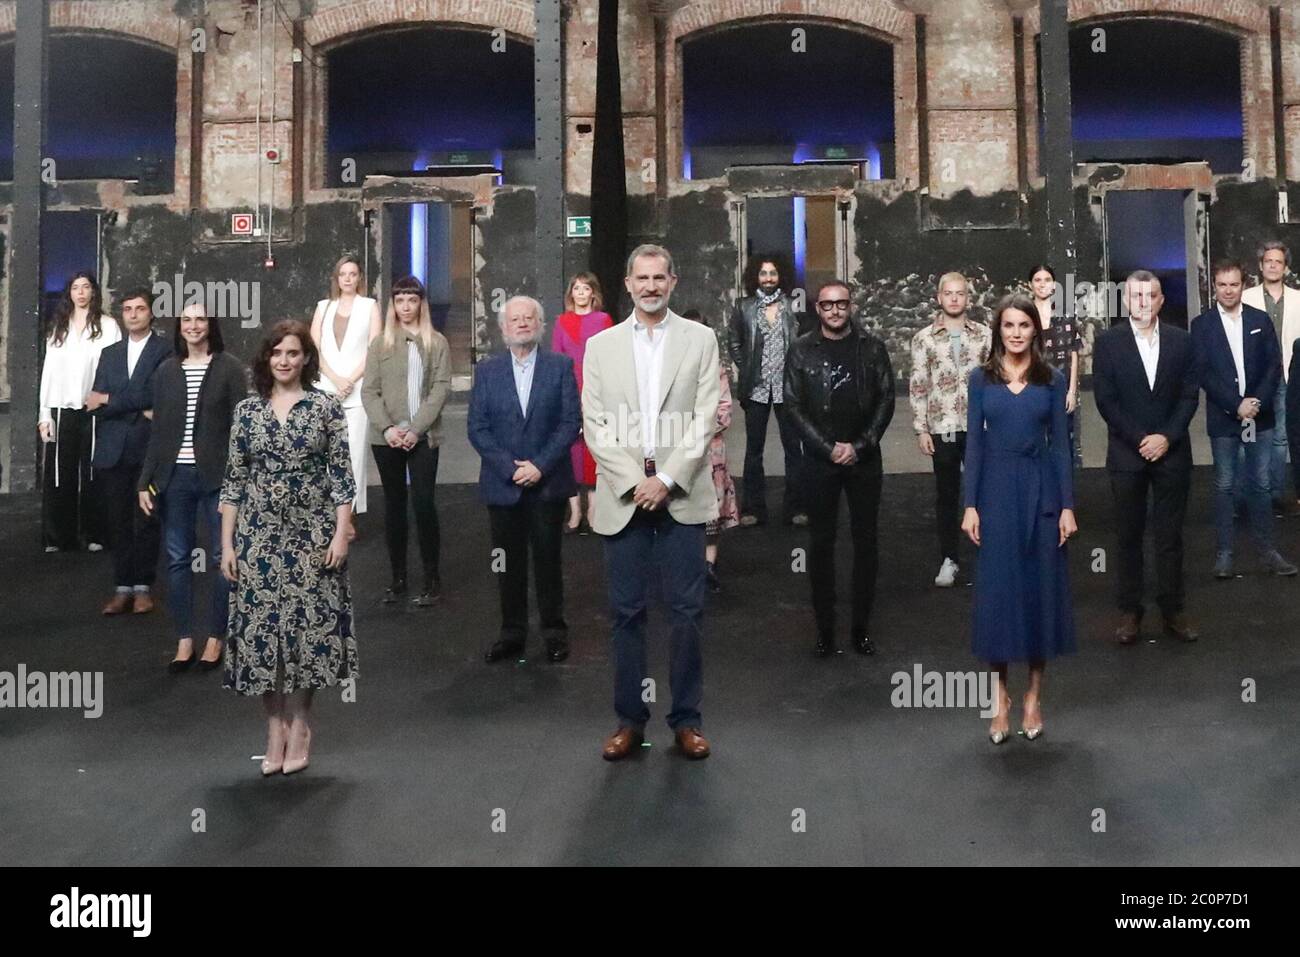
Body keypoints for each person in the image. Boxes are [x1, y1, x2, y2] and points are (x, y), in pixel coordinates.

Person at [583, 244, 720, 761]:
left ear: (673, 281)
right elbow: (595, 425)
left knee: (686, 614)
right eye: (642, 278)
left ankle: (687, 721)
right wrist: (633, 482)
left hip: (681, 496)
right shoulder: (601, 346)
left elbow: (705, 417)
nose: (650, 286)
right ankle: (629, 721)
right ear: (627, 283)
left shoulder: (701, 339)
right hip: (623, 499)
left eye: (659, 277)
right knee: (626, 615)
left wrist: (665, 478)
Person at [220, 320, 358, 777]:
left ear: (305, 360)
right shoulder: (247, 411)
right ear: (266, 359)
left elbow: (342, 477)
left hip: (312, 533)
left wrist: (341, 533)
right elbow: (234, 481)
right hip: (257, 534)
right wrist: (227, 544)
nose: (285, 360)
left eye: (293, 353)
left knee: (306, 633)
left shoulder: (325, 408)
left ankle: (300, 723)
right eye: (277, 352)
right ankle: (273, 727)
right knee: (260, 635)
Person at [961, 294, 1076, 744]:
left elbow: (1062, 447)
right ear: (998, 331)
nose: (1015, 333)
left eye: (1024, 325)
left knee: (1038, 593)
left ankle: (1032, 698)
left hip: (1041, 489)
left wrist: (1067, 506)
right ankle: (999, 699)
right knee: (999, 595)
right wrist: (970, 504)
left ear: (1035, 331)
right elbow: (973, 443)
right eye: (1008, 325)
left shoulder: (1053, 380)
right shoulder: (980, 380)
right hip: (995, 491)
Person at [468, 296, 580, 663]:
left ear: (540, 325)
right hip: (503, 486)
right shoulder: (486, 372)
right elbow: (477, 428)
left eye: (528, 318)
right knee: (506, 562)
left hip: (547, 484)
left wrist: (539, 466)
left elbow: (569, 423)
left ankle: (553, 631)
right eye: (514, 319)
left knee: (548, 561)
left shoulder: (560, 367)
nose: (521, 324)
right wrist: (510, 468)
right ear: (502, 329)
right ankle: (511, 632)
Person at [785, 281, 895, 657]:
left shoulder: (873, 348)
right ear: (818, 308)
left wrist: (860, 446)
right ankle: (825, 631)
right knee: (821, 544)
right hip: (820, 462)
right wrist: (829, 448)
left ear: (851, 306)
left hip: (864, 461)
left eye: (841, 304)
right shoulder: (800, 351)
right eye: (827, 305)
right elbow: (793, 406)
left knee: (866, 543)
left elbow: (886, 400)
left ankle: (861, 629)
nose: (834, 311)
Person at [138, 302, 247, 672]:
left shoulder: (230, 367)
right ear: (179, 326)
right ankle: (185, 639)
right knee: (178, 559)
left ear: (210, 324)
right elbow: (159, 432)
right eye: (187, 319)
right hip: (174, 478)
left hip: (219, 478)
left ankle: (216, 638)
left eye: (201, 319)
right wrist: (145, 482)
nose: (194, 325)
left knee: (223, 558)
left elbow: (241, 428)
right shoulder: (167, 371)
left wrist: (241, 476)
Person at [1093, 271, 1200, 645]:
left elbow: (1189, 395)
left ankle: (1173, 610)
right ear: (1126, 300)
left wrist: (1166, 438)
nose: (1142, 302)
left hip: (1172, 453)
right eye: (1135, 295)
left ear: (1160, 300)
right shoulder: (1108, 343)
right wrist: (1143, 439)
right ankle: (1130, 611)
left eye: (1149, 295)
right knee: (1128, 536)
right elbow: (1106, 400)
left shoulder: (1182, 342)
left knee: (1170, 537)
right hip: (1128, 454)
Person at [1190, 259, 1297, 578]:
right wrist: (1234, 404)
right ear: (1214, 287)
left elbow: (1273, 366)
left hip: (1259, 417)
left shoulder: (1260, 319)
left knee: (1261, 485)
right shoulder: (1202, 325)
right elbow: (1202, 372)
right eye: (1222, 285)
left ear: (1242, 285)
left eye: (1233, 284)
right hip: (1225, 418)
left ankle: (1268, 553)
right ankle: (1224, 554)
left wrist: (1257, 402)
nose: (1228, 290)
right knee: (1224, 485)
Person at [361, 276, 452, 607]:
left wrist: (416, 429)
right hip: (387, 439)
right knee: (395, 506)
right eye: (400, 301)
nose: (406, 307)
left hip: (423, 436)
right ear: (393, 306)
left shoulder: (436, 342)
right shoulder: (380, 344)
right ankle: (397, 577)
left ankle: (432, 578)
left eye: (412, 300)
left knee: (424, 504)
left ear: (421, 304)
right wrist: (387, 428)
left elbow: (441, 388)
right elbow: (369, 391)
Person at [89, 287, 172, 618]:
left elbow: (156, 394)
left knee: (146, 521)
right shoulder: (109, 353)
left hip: (147, 448)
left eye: (139, 308)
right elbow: (93, 402)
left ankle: (142, 588)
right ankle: (122, 588)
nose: (133, 314)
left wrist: (111, 400)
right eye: (127, 309)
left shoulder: (165, 351)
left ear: (151, 313)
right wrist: (132, 405)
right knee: (118, 523)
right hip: (112, 450)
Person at [908, 271, 992, 588]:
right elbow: (918, 385)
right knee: (947, 495)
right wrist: (921, 429)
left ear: (968, 298)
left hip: (979, 426)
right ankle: (950, 559)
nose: (955, 298)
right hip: (942, 425)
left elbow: (995, 379)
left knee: (983, 493)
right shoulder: (924, 338)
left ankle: (989, 558)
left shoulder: (985, 335)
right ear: (939, 297)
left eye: (960, 293)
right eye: (949, 293)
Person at [39, 271, 122, 552]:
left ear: (94, 292)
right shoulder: (58, 327)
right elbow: (49, 371)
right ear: (69, 293)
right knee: (59, 474)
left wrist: (108, 400)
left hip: (95, 408)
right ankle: (57, 537)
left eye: (86, 287)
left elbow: (115, 369)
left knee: (93, 473)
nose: (81, 292)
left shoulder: (108, 326)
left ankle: (94, 534)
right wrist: (44, 413)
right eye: (76, 287)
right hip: (62, 407)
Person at [727, 253, 807, 527]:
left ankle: (796, 508)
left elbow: (805, 342)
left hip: (788, 389)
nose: (769, 278)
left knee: (793, 449)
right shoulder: (744, 307)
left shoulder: (793, 306)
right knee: (754, 450)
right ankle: (752, 508)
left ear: (780, 276)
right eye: (763, 273)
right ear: (755, 277)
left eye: (773, 273)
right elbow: (734, 342)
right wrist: (746, 367)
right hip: (757, 388)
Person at [310, 255, 381, 518]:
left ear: (359, 277)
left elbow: (374, 347)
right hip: (327, 387)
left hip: (358, 390)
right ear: (336, 278)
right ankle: (325, 512)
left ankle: (349, 515)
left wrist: (350, 379)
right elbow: (314, 347)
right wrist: (336, 378)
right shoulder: (324, 307)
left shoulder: (369, 306)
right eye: (343, 274)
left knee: (355, 454)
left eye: (353, 274)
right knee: (324, 452)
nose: (348, 279)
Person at [552, 272, 614, 534]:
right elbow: (556, 361)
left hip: (598, 390)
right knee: (571, 454)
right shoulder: (562, 322)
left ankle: (594, 512)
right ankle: (575, 513)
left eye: (585, 288)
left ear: (592, 293)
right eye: (576, 288)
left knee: (594, 454)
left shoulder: (604, 320)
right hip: (569, 391)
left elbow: (612, 358)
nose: (580, 292)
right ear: (571, 293)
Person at [1241, 240, 1300, 515]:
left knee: (1280, 439)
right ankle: (1248, 495)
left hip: (1287, 375)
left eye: (1278, 261)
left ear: (1285, 267)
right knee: (1249, 436)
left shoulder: (1299, 298)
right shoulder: (1246, 297)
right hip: (1254, 376)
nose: (1273, 265)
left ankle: (1275, 495)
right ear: (1261, 266)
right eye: (1268, 261)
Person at [682, 308, 738, 592]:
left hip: (711, 450)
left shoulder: (717, 371)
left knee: (713, 510)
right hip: (679, 451)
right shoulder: (670, 369)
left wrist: (698, 430)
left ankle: (709, 566)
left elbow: (724, 410)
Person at [1029, 264, 1083, 468]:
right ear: (1030, 285)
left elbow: (1074, 352)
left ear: (1054, 285)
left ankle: (1063, 496)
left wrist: (1072, 391)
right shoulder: (1023, 314)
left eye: (1047, 280)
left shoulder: (1065, 314)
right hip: (1030, 387)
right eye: (1037, 280)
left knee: (1061, 444)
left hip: (1060, 388)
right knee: (1032, 442)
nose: (1042, 284)